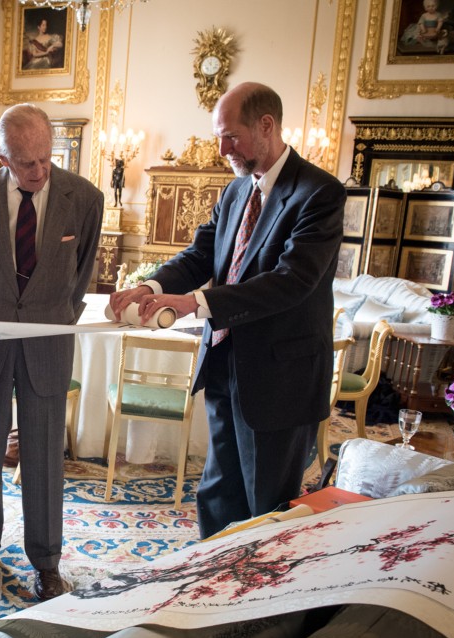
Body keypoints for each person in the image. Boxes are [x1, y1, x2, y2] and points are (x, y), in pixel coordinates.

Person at [110, 82, 345, 540]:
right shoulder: (236, 192)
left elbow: (290, 282)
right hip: (224, 363)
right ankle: (212, 584)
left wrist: (195, 303)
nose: (221, 149)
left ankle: (258, 606)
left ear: (266, 125)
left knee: (267, 508)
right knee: (218, 493)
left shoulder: (319, 193)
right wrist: (150, 286)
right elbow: (200, 257)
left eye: (230, 136)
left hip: (281, 378)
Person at [0, 103, 103, 600]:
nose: (38, 172)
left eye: (45, 159)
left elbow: (79, 277)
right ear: (2, 155)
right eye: (25, 163)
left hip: (48, 341)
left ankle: (46, 560)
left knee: (43, 457)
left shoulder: (84, 197)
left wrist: (48, 312)